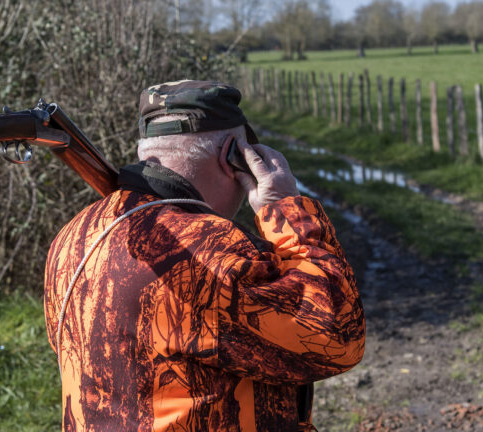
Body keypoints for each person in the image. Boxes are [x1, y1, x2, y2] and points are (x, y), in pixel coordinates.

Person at [44, 80, 365, 431]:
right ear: (235, 157)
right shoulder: (212, 250)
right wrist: (285, 210)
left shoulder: (74, 236)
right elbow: (336, 336)